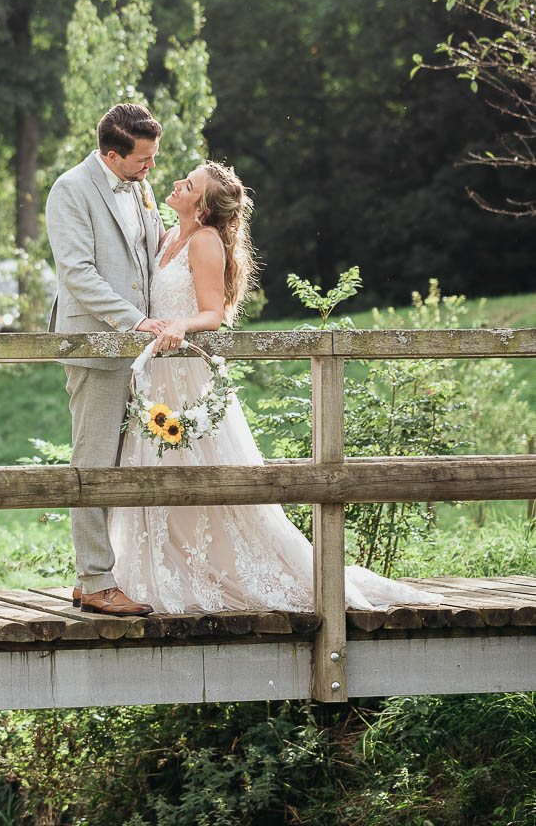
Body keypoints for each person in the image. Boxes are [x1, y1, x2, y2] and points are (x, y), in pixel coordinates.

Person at [108, 161, 441, 612]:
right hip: (158, 377)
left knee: (204, 478)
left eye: (187, 185)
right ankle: (164, 572)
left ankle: (232, 574)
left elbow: (213, 313)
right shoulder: (169, 236)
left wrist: (179, 327)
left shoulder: (204, 241)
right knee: (156, 477)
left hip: (186, 376)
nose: (176, 184)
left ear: (203, 208)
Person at [45, 103, 167, 615]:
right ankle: (95, 582)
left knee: (130, 462)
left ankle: (107, 574)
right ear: (111, 155)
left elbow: (148, 255)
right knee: (93, 463)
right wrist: (134, 321)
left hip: (144, 350)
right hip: (97, 344)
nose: (152, 168)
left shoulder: (138, 185)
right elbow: (77, 273)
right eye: (143, 160)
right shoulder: (70, 189)